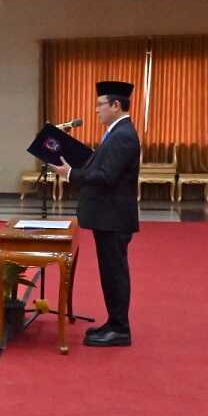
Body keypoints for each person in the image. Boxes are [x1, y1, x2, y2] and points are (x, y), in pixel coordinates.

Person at [50, 80, 141, 348]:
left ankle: (120, 329)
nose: (96, 110)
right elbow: (102, 165)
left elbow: (106, 176)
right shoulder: (115, 133)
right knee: (110, 272)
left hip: (113, 217)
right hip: (107, 216)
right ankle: (114, 323)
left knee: (115, 273)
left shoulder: (123, 135)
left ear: (116, 105)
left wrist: (70, 174)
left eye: (100, 104)